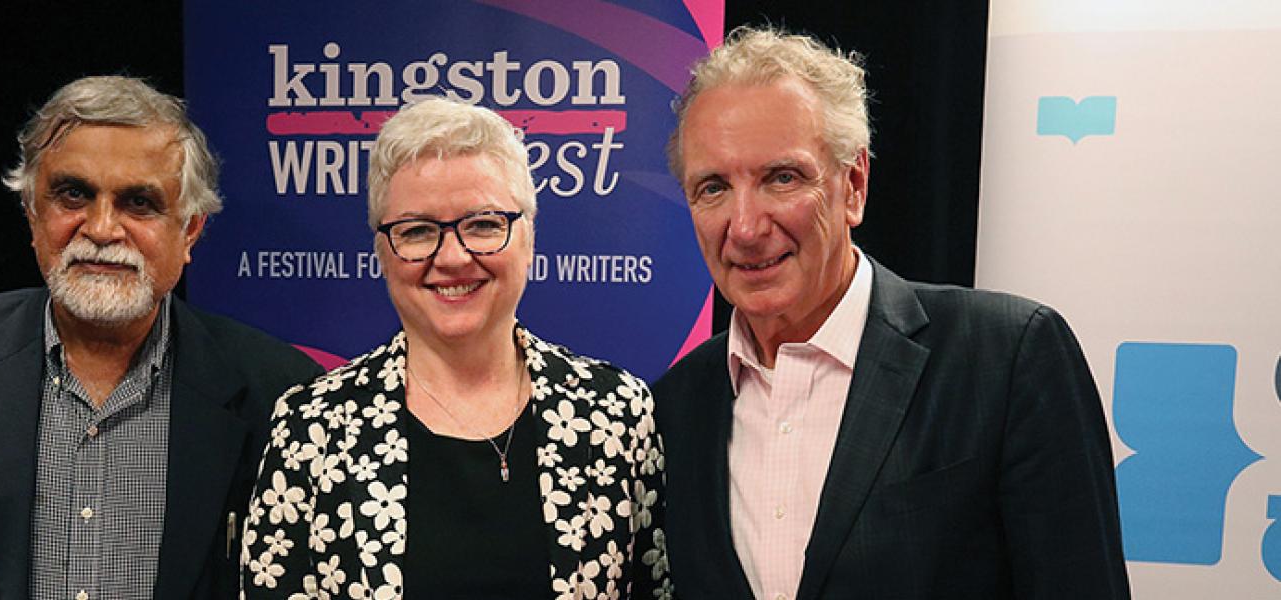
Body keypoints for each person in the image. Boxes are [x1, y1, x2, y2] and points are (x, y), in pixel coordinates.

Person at [652, 27, 1130, 599]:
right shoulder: (674, 407)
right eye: (713, 188)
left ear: (853, 185)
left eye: (782, 178)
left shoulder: (1007, 358)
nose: (747, 227)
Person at [0, 76, 324, 600]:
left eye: (139, 203)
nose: (101, 228)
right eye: (73, 194)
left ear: (190, 230)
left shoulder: (280, 391)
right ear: (32, 211)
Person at [239, 97, 671, 599]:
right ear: (383, 251)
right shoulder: (311, 424)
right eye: (418, 231)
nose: (452, 256)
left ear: (528, 237)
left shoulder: (616, 413)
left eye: (483, 224)